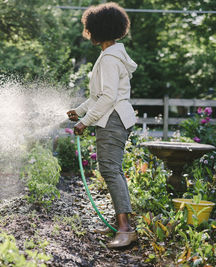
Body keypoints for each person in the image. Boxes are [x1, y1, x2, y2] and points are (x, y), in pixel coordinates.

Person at [67, 2, 138, 248]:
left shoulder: (109, 59)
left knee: (110, 169)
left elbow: (108, 98)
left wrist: (84, 122)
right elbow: (100, 96)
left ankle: (125, 229)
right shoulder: (111, 55)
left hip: (113, 118)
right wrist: (79, 111)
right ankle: (121, 222)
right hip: (115, 116)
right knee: (112, 169)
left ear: (98, 29)